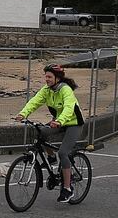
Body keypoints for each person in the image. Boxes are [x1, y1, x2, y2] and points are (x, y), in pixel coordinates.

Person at [14, 63, 85, 204]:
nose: (46, 79)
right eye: (45, 76)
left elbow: (69, 108)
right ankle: (51, 158)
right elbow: (34, 102)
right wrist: (23, 114)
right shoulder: (47, 90)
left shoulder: (66, 90)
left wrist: (60, 121)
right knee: (41, 132)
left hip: (73, 123)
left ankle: (67, 188)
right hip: (58, 121)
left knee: (64, 153)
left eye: (49, 77)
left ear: (58, 78)